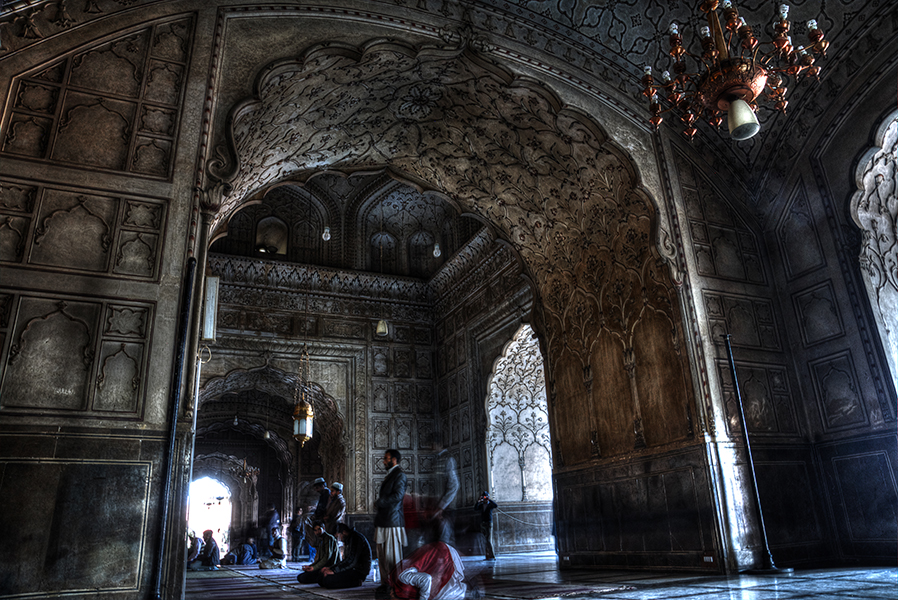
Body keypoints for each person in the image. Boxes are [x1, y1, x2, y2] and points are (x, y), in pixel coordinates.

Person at [374, 448, 407, 593]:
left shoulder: (399, 475)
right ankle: (385, 583)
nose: (383, 461)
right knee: (382, 555)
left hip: (392, 521)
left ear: (394, 460)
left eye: (386, 458)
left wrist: (380, 502)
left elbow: (398, 496)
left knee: (392, 556)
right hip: (383, 520)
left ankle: (395, 584)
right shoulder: (390, 475)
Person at [389, 541, 466, 600]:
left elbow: (426, 579)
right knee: (441, 589)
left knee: (439, 589)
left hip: (441, 553)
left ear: (391, 593)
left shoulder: (402, 577)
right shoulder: (397, 581)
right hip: (436, 552)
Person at [314, 523, 372, 589]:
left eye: (338, 535)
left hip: (358, 571)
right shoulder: (348, 539)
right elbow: (345, 561)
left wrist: (334, 571)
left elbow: (351, 562)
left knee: (327, 580)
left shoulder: (356, 538)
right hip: (351, 568)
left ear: (343, 532)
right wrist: (331, 568)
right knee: (320, 578)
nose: (339, 539)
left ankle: (356, 582)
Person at [432, 440, 459, 544]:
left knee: (446, 537)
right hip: (440, 505)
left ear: (439, 444)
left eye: (432, 444)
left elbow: (454, 485)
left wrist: (442, 505)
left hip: (447, 506)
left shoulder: (448, 459)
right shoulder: (438, 459)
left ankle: (449, 559)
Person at [474, 491, 498, 560]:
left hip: (489, 523)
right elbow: (475, 508)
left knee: (489, 540)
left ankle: (493, 555)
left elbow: (496, 505)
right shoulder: (481, 505)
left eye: (486, 497)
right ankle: (487, 555)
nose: (485, 498)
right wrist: (478, 501)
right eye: (484, 497)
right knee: (485, 540)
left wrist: (489, 499)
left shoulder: (490, 504)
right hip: (483, 523)